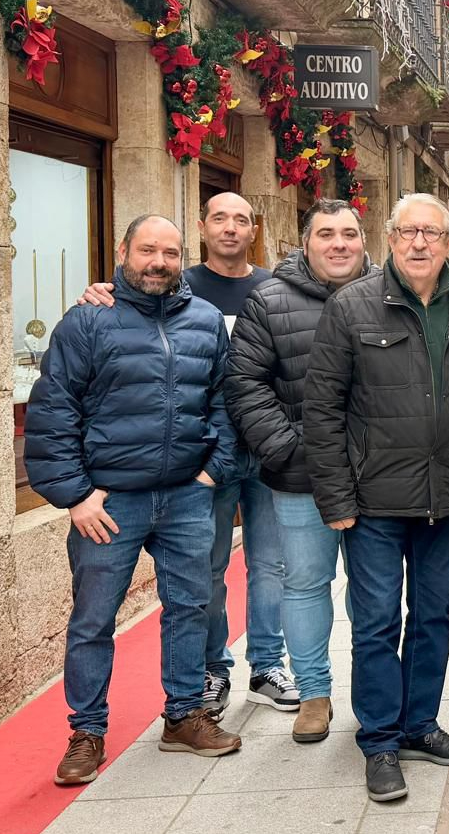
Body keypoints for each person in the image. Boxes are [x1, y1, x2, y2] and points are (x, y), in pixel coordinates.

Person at [26, 214, 242, 785]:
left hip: (186, 496)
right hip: (109, 503)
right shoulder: (88, 321)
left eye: (170, 253)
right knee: (94, 619)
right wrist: (75, 496)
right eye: (148, 250)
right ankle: (86, 731)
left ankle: (184, 715)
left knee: (190, 607)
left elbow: (225, 401)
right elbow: (53, 411)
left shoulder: (203, 320)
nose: (158, 263)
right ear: (123, 251)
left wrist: (212, 472)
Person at [305, 193, 449, 802]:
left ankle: (420, 725)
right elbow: (322, 411)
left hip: (446, 499)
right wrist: (337, 498)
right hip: (374, 502)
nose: (419, 243)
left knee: (433, 617)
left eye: (432, 233)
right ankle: (381, 741)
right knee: (377, 623)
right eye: (408, 232)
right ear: (389, 239)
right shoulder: (350, 306)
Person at [77, 192, 292, 714]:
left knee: (270, 565)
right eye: (220, 218)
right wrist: (98, 291)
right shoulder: (177, 284)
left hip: (266, 451)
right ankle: (213, 669)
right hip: (207, 458)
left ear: (254, 230)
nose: (230, 228)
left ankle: (267, 664)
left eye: (241, 220)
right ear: (202, 227)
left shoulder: (273, 289)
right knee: (207, 571)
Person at [225, 199, 373, 745]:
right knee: (306, 584)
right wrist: (287, 449)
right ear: (305, 242)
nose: (339, 243)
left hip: (376, 477)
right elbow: (245, 383)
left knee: (373, 592)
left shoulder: (388, 294)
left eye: (349, 233)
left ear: (364, 240)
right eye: (326, 233)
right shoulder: (269, 300)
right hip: (301, 478)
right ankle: (313, 694)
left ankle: (373, 693)